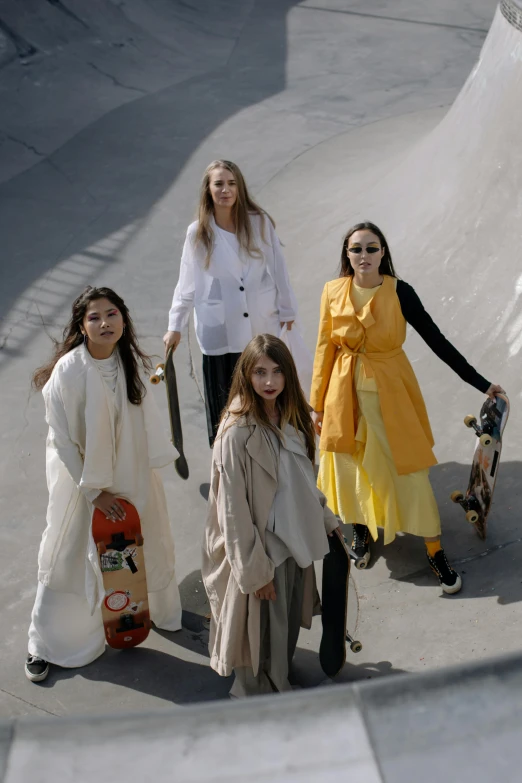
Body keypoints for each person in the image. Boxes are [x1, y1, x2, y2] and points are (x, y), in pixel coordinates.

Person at [310, 222, 504, 594]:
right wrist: (316, 405)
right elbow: (324, 349)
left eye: (371, 248)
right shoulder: (332, 291)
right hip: (343, 394)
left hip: (392, 395)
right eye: (356, 249)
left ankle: (434, 549)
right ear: (346, 255)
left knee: (408, 471)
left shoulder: (401, 292)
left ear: (383, 252)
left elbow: (436, 340)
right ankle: (362, 529)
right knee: (351, 468)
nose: (363, 256)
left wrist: (481, 383)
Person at [26, 287, 182, 683]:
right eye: (94, 317)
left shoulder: (126, 362)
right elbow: (61, 440)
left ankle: (145, 614)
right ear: (81, 326)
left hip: (129, 472)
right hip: (80, 480)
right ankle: (46, 644)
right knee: (68, 553)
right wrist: (95, 492)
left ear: (123, 320)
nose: (104, 323)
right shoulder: (70, 370)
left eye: (111, 314)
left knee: (136, 547)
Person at [202, 334, 339, 697]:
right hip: (263, 550)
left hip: (294, 541)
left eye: (277, 372)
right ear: (245, 374)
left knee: (286, 627)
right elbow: (231, 509)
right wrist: (253, 569)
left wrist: (326, 520)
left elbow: (304, 482)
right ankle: (261, 699)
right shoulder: (236, 433)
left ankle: (280, 682)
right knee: (259, 635)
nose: (268, 382)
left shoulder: (292, 417)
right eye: (260, 372)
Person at [163, 160, 297, 447]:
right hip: (220, 331)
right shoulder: (198, 232)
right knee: (224, 409)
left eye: (232, 183)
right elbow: (186, 284)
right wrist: (175, 326)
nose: (226, 190)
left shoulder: (259, 222)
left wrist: (287, 308)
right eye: (219, 184)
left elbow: (279, 267)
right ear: (208, 190)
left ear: (240, 187)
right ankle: (224, 465)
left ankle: (270, 455)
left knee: (266, 398)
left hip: (261, 327)